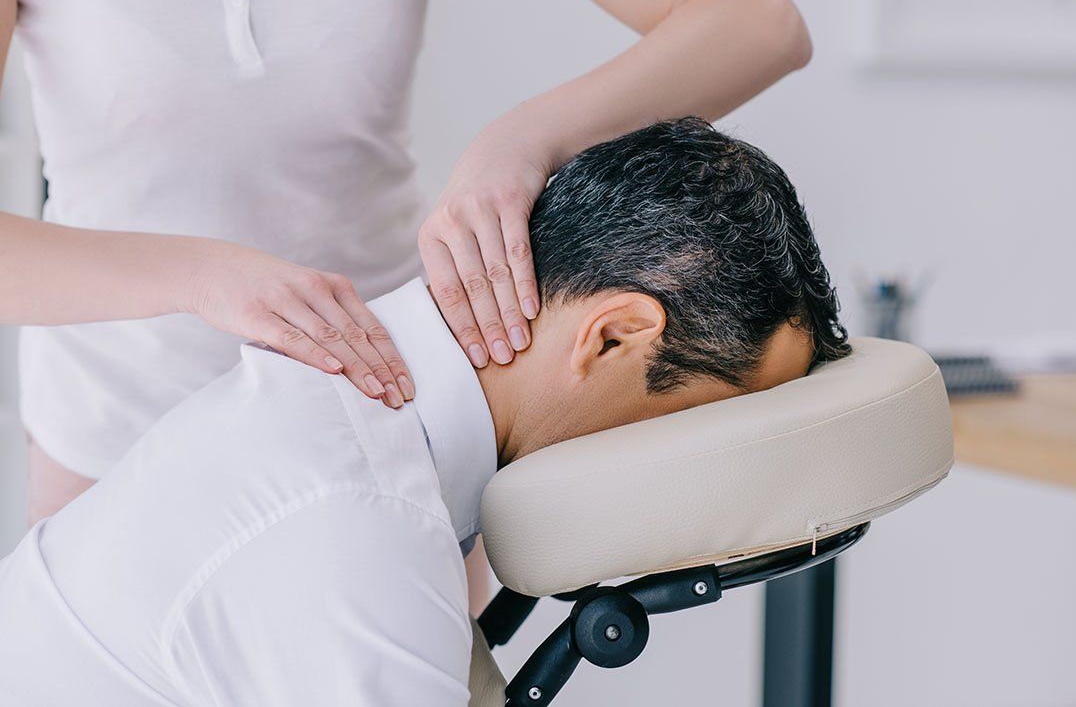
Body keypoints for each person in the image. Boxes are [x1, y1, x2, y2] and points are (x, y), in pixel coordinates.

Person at [0, 119, 849, 705]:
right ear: (615, 335)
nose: (692, 455)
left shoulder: (353, 430)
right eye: (710, 419)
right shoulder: (358, 520)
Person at [0, 0, 815, 526]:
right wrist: (203, 278)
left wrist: (525, 140)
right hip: (118, 445)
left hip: (391, 431)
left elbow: (757, 23)